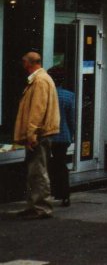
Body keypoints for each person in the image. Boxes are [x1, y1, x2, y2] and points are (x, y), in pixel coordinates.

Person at [13, 52, 60, 220]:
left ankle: (41, 208)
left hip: (39, 134)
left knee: (38, 171)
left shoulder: (39, 81)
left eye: (23, 61)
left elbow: (37, 110)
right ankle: (34, 206)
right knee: (35, 171)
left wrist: (31, 133)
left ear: (27, 63)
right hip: (41, 133)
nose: (22, 64)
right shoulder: (42, 79)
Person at [48, 66, 75, 207]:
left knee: (47, 165)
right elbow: (71, 118)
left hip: (48, 136)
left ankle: (50, 193)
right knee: (61, 165)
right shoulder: (69, 96)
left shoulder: (46, 95)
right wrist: (72, 133)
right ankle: (64, 195)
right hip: (63, 135)